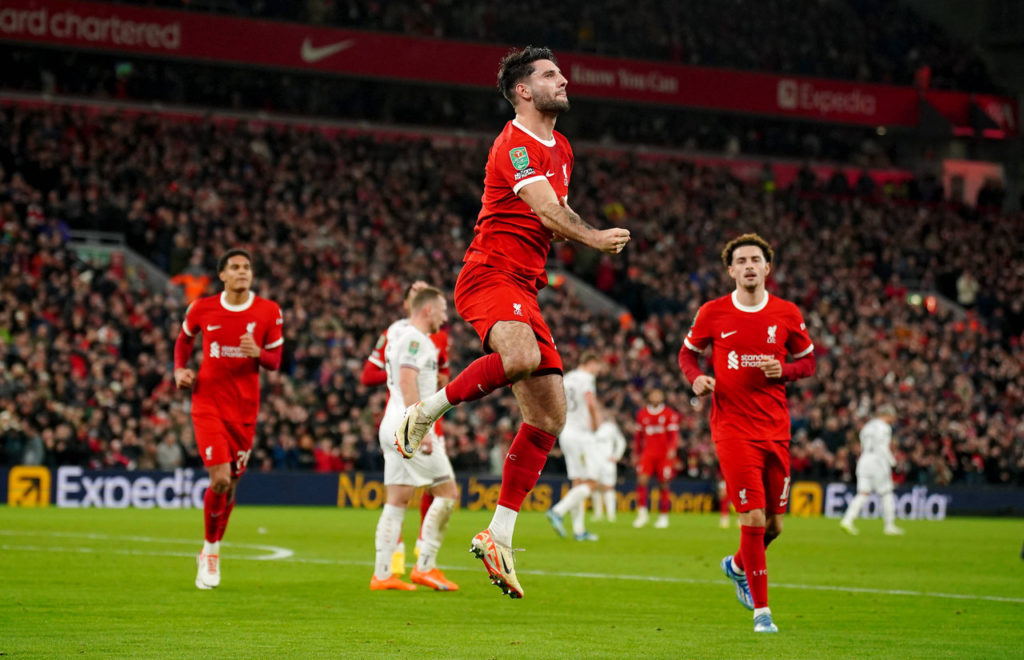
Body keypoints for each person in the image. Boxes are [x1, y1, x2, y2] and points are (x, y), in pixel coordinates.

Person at [393, 45, 631, 599]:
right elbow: (548, 210)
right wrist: (595, 238)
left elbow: (550, 215)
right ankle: (423, 413)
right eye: (551, 75)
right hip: (489, 274)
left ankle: (499, 534)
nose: (563, 79)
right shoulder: (513, 144)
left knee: (549, 417)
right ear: (524, 90)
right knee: (521, 358)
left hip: (525, 286)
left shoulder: (563, 146)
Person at [678, 233, 816, 634]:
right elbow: (687, 353)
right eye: (742, 260)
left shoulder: (787, 313)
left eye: (757, 259)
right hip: (732, 429)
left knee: (773, 526)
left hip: (776, 428)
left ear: (768, 268)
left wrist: (784, 371)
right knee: (752, 516)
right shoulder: (713, 313)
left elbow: (808, 363)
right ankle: (762, 613)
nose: (750, 265)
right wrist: (696, 378)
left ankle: (737, 565)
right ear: (731, 270)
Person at [173, 248, 284, 590]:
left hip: (245, 410)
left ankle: (213, 545)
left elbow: (275, 361)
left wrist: (258, 353)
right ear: (221, 275)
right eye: (234, 267)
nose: (242, 272)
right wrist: (180, 370)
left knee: (231, 485)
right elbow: (183, 341)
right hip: (207, 403)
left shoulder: (269, 311)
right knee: (219, 479)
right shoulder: (202, 308)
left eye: (246, 267)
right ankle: (210, 551)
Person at [371, 286, 460, 592]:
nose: (446, 317)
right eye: (444, 310)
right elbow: (408, 381)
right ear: (428, 310)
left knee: (396, 500)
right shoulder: (415, 339)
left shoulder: (403, 336)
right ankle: (426, 566)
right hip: (408, 426)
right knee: (447, 492)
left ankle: (382, 574)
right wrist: (418, 427)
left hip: (392, 423)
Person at [545, 352, 605, 541]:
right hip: (581, 434)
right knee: (592, 481)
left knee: (578, 482)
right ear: (591, 363)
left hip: (566, 432)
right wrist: (596, 423)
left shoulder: (567, 378)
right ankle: (557, 511)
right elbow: (590, 401)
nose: (598, 371)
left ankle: (579, 531)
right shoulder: (587, 378)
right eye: (598, 366)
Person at [840, 405, 904, 536]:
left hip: (864, 460)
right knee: (886, 493)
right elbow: (882, 447)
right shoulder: (885, 428)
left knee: (863, 493)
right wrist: (892, 462)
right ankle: (889, 526)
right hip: (878, 462)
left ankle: (847, 520)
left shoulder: (867, 426)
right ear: (888, 415)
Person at [632, 388, 682, 529]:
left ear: (662, 397)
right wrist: (636, 453)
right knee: (641, 480)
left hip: (664, 455)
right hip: (647, 453)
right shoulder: (642, 414)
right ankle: (642, 514)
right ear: (649, 397)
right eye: (653, 394)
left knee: (664, 484)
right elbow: (638, 437)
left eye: (658, 394)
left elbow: (674, 435)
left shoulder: (669, 414)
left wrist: (672, 450)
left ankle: (663, 516)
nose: (656, 397)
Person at [590, 420, 626, 522]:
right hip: (593, 462)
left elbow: (621, 441)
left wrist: (617, 455)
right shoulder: (589, 424)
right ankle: (598, 514)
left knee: (608, 487)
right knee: (594, 486)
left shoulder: (610, 427)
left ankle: (611, 515)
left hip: (607, 462)